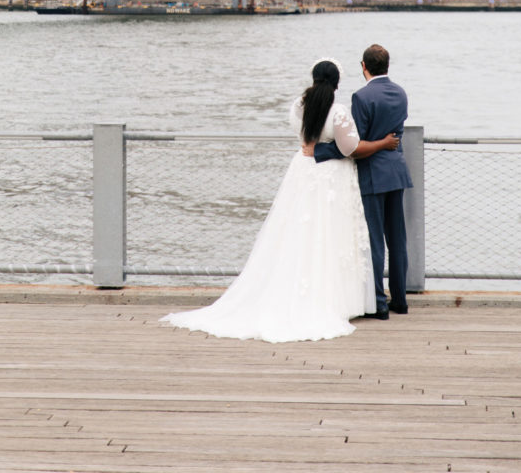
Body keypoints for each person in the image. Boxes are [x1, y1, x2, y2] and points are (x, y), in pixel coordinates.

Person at [162, 59, 399, 343]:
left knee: (299, 232)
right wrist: (382, 143)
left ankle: (295, 291)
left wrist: (317, 147)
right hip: (332, 179)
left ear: (313, 79)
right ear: (337, 84)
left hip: (303, 172)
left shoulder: (299, 106)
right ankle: (338, 300)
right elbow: (350, 148)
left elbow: (303, 138)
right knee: (331, 234)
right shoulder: (338, 112)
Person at [303, 44, 412, 320]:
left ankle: (379, 302)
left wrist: (319, 151)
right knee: (397, 238)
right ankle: (400, 299)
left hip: (373, 175)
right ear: (387, 65)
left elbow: (353, 145)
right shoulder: (401, 93)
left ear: (364, 66)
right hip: (396, 171)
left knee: (375, 240)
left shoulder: (361, 97)